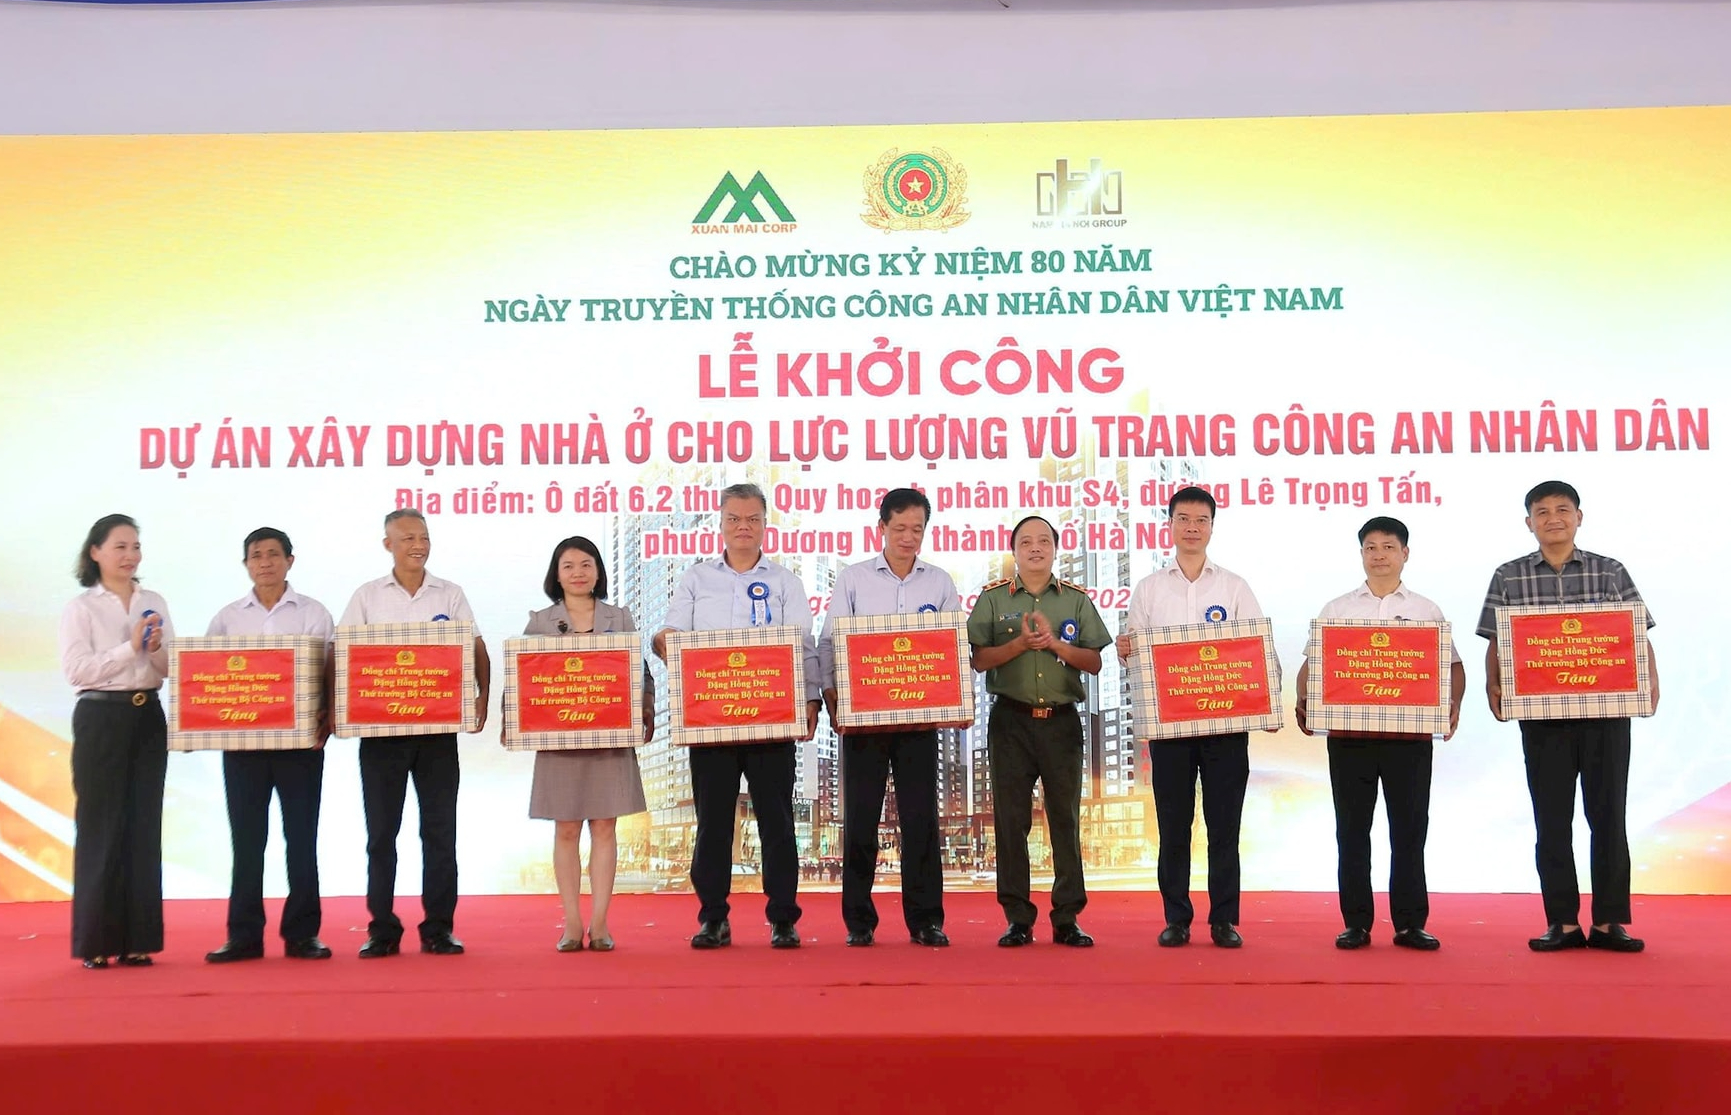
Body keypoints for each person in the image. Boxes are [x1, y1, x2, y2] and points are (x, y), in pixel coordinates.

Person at [1478, 480, 1658, 954]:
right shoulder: (1508, 576)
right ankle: (1561, 921)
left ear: (1579, 517)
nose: (1553, 518)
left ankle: (1609, 922)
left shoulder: (1609, 570)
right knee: (1551, 821)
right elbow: (1497, 641)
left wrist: (1651, 681)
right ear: (1529, 522)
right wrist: (1492, 683)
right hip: (1541, 718)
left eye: (1563, 509)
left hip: (1606, 714)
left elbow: (1634, 634)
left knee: (1608, 817)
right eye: (1542, 511)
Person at [652, 482, 821, 950]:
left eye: (752, 519)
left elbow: (803, 648)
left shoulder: (786, 582)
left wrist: (810, 701)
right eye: (734, 519)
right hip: (712, 722)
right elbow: (666, 633)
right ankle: (712, 917)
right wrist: (666, 642)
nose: (742, 527)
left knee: (777, 821)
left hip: (773, 720)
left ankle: (783, 918)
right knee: (712, 822)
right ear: (720, 523)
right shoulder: (695, 579)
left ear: (765, 525)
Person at [1294, 516, 1464, 952]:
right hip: (1350, 739)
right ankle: (1356, 923)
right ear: (1362, 554)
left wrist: (1453, 706)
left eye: (1388, 547)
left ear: (1405, 554)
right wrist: (1304, 700)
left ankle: (1410, 923)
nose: (1380, 555)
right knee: (1351, 832)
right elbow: (1313, 665)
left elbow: (1453, 668)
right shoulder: (1338, 609)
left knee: (1409, 832)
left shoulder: (1427, 610)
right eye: (1371, 547)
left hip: (1409, 742)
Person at [1118, 486, 1269, 949]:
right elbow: (1134, 655)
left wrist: (1267, 701)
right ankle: (1176, 917)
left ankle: (1224, 919)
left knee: (1225, 826)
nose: (1191, 527)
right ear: (1169, 524)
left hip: (1225, 730)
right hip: (1171, 731)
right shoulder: (1149, 588)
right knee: (1174, 826)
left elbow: (1255, 651)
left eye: (1200, 520)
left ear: (1211, 527)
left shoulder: (1235, 586)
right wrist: (1126, 650)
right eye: (1182, 519)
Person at [338, 508, 491, 958]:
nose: (417, 545)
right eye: (406, 538)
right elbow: (342, 653)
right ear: (387, 544)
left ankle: (439, 927)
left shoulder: (451, 593)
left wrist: (482, 695)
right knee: (381, 835)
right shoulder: (367, 597)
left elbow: (475, 646)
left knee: (440, 832)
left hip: (438, 735)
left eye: (423, 536)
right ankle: (382, 929)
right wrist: (336, 711)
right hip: (381, 736)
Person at [818, 488, 961, 948]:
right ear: (880, 528)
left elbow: (953, 651)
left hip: (919, 725)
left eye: (916, 529)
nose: (908, 537)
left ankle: (926, 920)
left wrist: (958, 703)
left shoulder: (939, 583)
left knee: (921, 821)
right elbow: (830, 642)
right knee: (860, 819)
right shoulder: (854, 579)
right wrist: (832, 696)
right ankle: (859, 922)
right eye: (899, 528)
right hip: (864, 723)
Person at [966, 515, 1109, 948]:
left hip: (1061, 722)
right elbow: (978, 659)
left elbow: (1094, 663)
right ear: (1013, 550)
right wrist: (1020, 645)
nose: (1034, 548)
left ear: (1054, 549)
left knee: (1065, 819)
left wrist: (1054, 646)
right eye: (1025, 542)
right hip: (1010, 722)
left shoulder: (1076, 602)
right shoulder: (992, 600)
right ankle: (1017, 918)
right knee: (1011, 822)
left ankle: (1067, 917)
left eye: (1043, 541)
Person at [203, 527, 337, 964]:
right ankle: (243, 936)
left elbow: (330, 672)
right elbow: (210, 680)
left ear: (290, 561)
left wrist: (330, 714)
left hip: (300, 746)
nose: (265, 562)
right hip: (242, 746)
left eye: (273, 554)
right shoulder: (226, 618)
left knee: (301, 839)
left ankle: (302, 935)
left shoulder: (314, 613)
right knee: (246, 841)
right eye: (256, 555)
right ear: (246, 564)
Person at [524, 536, 651, 953]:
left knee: (604, 827)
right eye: (568, 566)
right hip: (559, 743)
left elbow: (642, 673)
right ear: (555, 575)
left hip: (609, 740)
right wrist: (514, 720)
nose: (578, 573)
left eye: (586, 564)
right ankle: (571, 925)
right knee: (565, 829)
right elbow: (523, 678)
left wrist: (646, 711)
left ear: (598, 570)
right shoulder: (541, 621)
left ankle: (600, 924)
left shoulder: (621, 617)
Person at [58, 513, 173, 969]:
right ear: (96, 552)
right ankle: (96, 942)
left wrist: (158, 647)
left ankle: (137, 939)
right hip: (101, 716)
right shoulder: (81, 608)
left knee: (143, 826)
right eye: (121, 546)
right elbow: (77, 671)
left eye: (136, 547)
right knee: (101, 825)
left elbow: (167, 668)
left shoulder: (154, 599)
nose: (131, 556)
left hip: (148, 716)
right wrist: (130, 646)